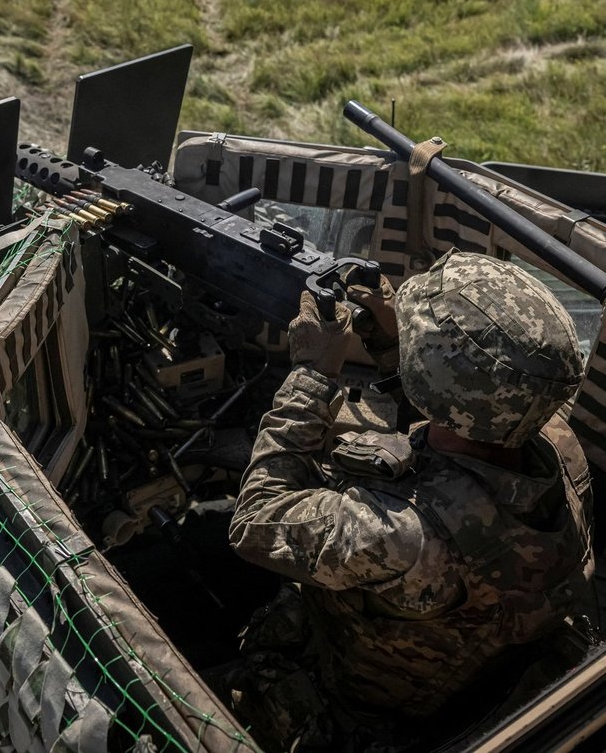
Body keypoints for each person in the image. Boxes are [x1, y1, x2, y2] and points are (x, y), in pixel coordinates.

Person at [228, 249, 597, 752]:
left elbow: (254, 520)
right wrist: (393, 343)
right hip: (467, 675)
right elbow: (465, 428)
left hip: (359, 710)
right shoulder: (557, 443)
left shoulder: (401, 537)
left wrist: (311, 377)